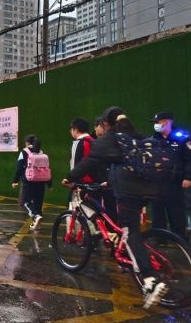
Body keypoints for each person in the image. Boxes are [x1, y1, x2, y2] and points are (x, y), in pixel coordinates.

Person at [63, 106, 168, 308]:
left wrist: (70, 178)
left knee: (129, 231)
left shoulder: (109, 139)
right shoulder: (137, 135)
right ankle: (130, 254)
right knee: (127, 227)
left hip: (129, 191)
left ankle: (150, 279)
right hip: (151, 189)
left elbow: (90, 162)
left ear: (105, 124)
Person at [148, 112, 191, 242]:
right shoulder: (153, 138)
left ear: (167, 122)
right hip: (157, 181)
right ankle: (159, 238)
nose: (156, 125)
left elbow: (190, 159)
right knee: (157, 210)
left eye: (158, 122)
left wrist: (188, 177)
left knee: (176, 210)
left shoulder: (182, 137)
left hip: (175, 180)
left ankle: (179, 238)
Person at [69, 118, 117, 223]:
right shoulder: (94, 141)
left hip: (85, 184)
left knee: (85, 213)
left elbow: (76, 166)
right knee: (102, 210)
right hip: (100, 182)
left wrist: (72, 181)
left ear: (75, 129)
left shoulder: (78, 143)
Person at [12, 135, 52, 230]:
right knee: (38, 202)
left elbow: (19, 167)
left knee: (25, 202)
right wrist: (49, 184)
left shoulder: (24, 152)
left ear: (27, 143)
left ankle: (36, 216)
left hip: (29, 181)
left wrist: (15, 180)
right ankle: (37, 223)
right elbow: (47, 168)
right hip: (42, 181)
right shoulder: (41, 152)